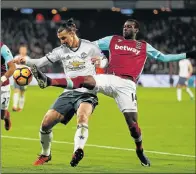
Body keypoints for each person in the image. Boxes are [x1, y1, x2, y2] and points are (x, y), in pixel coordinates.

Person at [28, 19, 196, 167]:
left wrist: (188, 54)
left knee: (133, 127)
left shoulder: (144, 46)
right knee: (87, 79)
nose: (126, 28)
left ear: (136, 29)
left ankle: (140, 150)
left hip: (127, 86)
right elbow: (89, 46)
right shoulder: (112, 40)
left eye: (129, 26)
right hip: (110, 78)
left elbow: (164, 58)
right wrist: (96, 58)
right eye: (124, 26)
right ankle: (49, 81)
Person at [14, 18, 106, 167]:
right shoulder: (60, 51)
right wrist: (25, 62)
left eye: (64, 38)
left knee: (82, 117)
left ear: (72, 33)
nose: (62, 41)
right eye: (60, 39)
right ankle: (45, 154)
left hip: (87, 92)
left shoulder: (90, 46)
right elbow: (41, 62)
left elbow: (105, 60)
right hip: (68, 92)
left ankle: (78, 150)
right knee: (46, 124)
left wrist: (101, 62)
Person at [1, 42, 16, 131]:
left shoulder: (3, 48)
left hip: (3, 86)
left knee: (1, 115)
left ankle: (6, 116)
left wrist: (2, 79)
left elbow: (12, 67)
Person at [12, 45, 31, 112]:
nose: (23, 51)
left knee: (22, 93)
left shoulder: (28, 58)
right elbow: (13, 66)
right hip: (17, 77)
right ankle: (14, 106)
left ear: (26, 51)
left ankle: (20, 107)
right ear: (19, 50)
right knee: (16, 90)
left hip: (25, 79)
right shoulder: (16, 57)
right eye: (22, 50)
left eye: (24, 50)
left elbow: (30, 69)